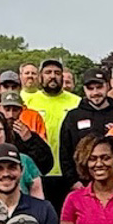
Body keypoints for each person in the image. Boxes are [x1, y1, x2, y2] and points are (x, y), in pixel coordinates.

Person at [25, 58, 82, 201]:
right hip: (39, 172)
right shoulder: (29, 102)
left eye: (57, 73)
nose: (52, 76)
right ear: (40, 76)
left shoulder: (76, 102)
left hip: (68, 173)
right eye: (48, 72)